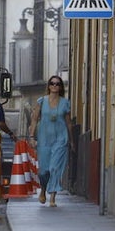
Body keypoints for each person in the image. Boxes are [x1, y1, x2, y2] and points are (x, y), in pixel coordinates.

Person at [31, 74, 73, 207]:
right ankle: (43, 189)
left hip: (61, 139)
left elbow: (69, 123)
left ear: (60, 87)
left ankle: (53, 197)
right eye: (52, 83)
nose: (55, 86)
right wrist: (32, 137)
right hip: (44, 140)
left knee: (55, 168)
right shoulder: (41, 101)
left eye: (58, 84)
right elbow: (34, 119)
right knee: (44, 171)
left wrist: (71, 141)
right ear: (48, 86)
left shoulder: (65, 103)